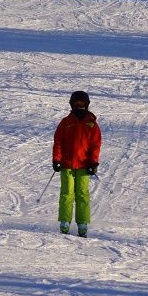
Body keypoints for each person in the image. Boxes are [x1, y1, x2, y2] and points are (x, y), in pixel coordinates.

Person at [53, 91, 100, 235]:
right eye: (76, 104)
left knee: (82, 194)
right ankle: (65, 221)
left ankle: (82, 223)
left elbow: (95, 145)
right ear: (72, 105)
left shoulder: (91, 123)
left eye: (82, 104)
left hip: (84, 166)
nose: (79, 106)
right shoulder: (65, 122)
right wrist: (56, 159)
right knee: (67, 193)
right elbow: (58, 142)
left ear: (86, 105)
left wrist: (93, 162)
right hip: (66, 164)